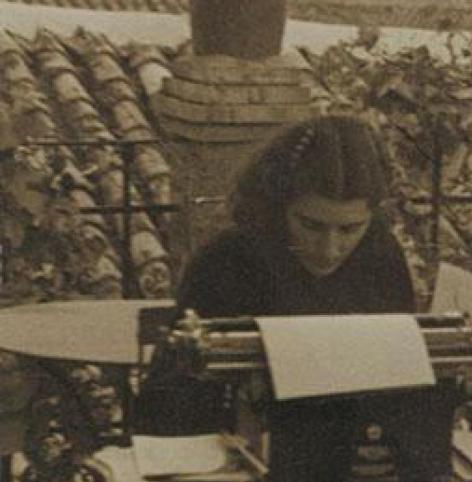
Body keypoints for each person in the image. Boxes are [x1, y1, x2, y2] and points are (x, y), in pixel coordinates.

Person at [137, 114, 415, 434]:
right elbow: (162, 406)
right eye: (311, 225)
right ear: (280, 204)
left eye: (350, 229)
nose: (329, 249)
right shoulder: (226, 259)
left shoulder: (380, 253)